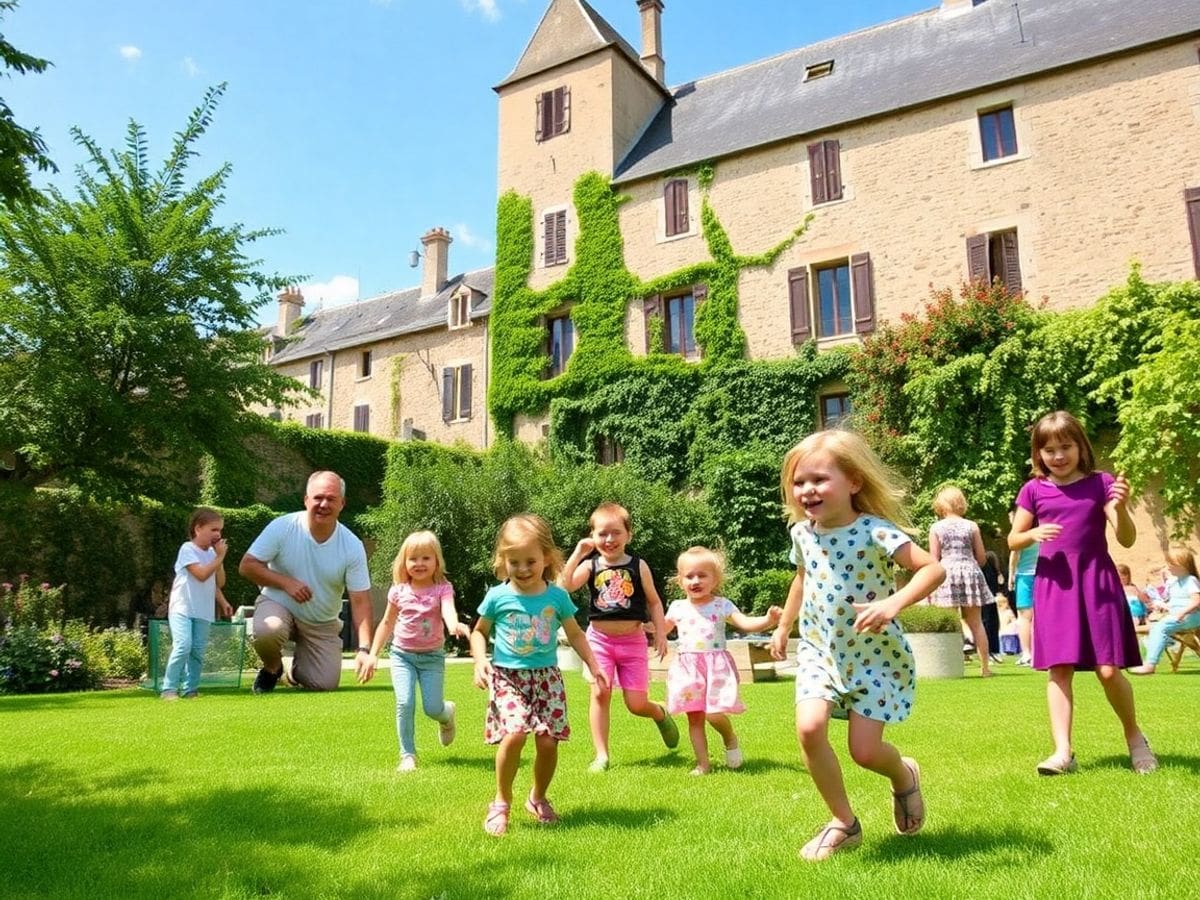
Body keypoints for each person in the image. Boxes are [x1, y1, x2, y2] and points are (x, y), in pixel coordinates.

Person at [770, 430, 945, 861]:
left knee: (864, 752)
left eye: (818, 479)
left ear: (853, 481)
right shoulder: (802, 535)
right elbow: (803, 579)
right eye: (798, 482)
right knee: (809, 728)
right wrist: (784, 626)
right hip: (820, 651)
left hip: (873, 655)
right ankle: (844, 824)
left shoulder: (875, 531)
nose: (807, 490)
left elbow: (932, 570)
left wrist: (893, 603)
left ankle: (904, 776)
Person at [1008, 410, 1155, 775]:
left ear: (1080, 446)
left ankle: (1136, 738)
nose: (1057, 456)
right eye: (1049, 450)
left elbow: (1126, 538)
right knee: (1058, 670)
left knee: (1108, 670)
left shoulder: (1100, 483)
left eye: (1065, 447)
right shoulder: (1032, 490)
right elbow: (1013, 538)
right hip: (1055, 585)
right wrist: (1031, 536)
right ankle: (1062, 752)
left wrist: (1120, 508)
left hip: (1096, 582)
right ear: (1038, 453)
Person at [470, 514, 608, 837]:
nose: (523, 568)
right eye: (513, 561)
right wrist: (479, 661)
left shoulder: (556, 597)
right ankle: (501, 802)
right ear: (503, 561)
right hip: (508, 678)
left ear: (546, 557)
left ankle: (537, 797)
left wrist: (594, 663)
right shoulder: (497, 596)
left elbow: (575, 634)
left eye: (530, 560)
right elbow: (479, 632)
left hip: (547, 679)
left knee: (548, 743)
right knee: (515, 733)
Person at [560, 502, 677, 772]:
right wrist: (578, 553)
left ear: (628, 535)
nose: (609, 539)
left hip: (633, 642)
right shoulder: (591, 566)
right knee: (600, 693)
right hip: (599, 642)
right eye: (602, 533)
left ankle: (659, 712)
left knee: (636, 704)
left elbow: (655, 602)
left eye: (615, 533)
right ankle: (602, 755)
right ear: (593, 536)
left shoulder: (639, 565)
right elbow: (564, 586)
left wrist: (661, 633)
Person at [239, 471, 374, 692]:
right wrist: (286, 583)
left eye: (331, 499)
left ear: (342, 503)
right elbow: (247, 566)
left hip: (321, 622)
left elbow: (361, 600)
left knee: (323, 684)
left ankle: (293, 673)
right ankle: (273, 668)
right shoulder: (282, 527)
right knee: (268, 630)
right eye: (318, 497)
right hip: (278, 605)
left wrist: (364, 649)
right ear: (306, 500)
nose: (323, 504)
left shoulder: (352, 545)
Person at [663, 546, 781, 775]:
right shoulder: (677, 607)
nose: (695, 581)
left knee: (714, 713)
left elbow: (745, 624)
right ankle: (703, 764)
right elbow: (662, 629)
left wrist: (768, 619)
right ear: (680, 581)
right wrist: (643, 627)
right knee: (695, 717)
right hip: (688, 669)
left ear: (715, 579)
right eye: (689, 576)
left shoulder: (721, 604)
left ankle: (729, 737)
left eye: (702, 575)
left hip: (715, 668)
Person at [361, 531, 471, 772]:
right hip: (402, 656)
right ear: (405, 562)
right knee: (404, 702)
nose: (419, 564)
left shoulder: (442, 588)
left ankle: (446, 714)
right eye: (413, 559)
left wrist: (454, 626)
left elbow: (448, 611)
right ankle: (407, 755)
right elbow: (387, 623)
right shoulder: (399, 590)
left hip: (432, 657)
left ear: (436, 561)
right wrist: (373, 654)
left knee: (432, 708)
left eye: (426, 558)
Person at [161, 507, 233, 700]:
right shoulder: (187, 549)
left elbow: (219, 583)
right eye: (213, 529)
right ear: (198, 528)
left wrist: (223, 601)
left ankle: (190, 689)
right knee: (183, 645)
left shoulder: (213, 554)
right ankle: (168, 689)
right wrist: (219, 557)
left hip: (203, 610)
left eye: (220, 530)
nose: (218, 534)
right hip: (182, 608)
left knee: (198, 651)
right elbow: (200, 575)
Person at [927, 486, 998, 677]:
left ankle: (952, 667)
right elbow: (982, 557)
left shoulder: (936, 528)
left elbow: (933, 559)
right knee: (976, 622)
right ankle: (985, 668)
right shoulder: (971, 526)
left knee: (951, 622)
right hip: (970, 571)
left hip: (945, 573)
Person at [1128, 547, 1200, 675]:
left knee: (1160, 628)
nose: (1168, 567)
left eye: (1171, 564)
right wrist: (1160, 605)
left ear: (1182, 565)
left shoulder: (1190, 580)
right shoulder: (1175, 583)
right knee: (1157, 627)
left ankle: (1150, 664)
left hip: (1191, 616)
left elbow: (1196, 601)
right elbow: (1175, 603)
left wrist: (1182, 612)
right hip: (1178, 616)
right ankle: (1164, 644)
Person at [1007, 508, 1038, 666]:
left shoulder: (1021, 535)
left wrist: (1011, 575)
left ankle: (1027, 653)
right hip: (1042, 575)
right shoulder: (1040, 532)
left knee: (1024, 617)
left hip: (1025, 576)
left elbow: (1015, 554)